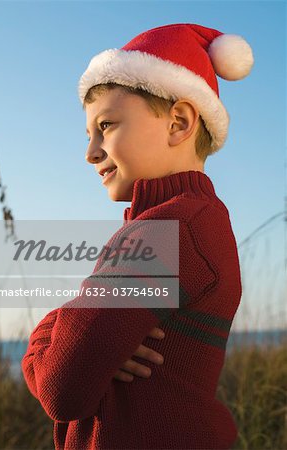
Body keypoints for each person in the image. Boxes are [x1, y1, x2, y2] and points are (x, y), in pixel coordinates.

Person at [21, 22, 254, 449]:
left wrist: (44, 337)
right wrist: (90, 338)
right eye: (89, 134)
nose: (89, 151)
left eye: (106, 126)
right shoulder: (196, 221)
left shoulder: (167, 230)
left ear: (179, 123)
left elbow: (61, 388)